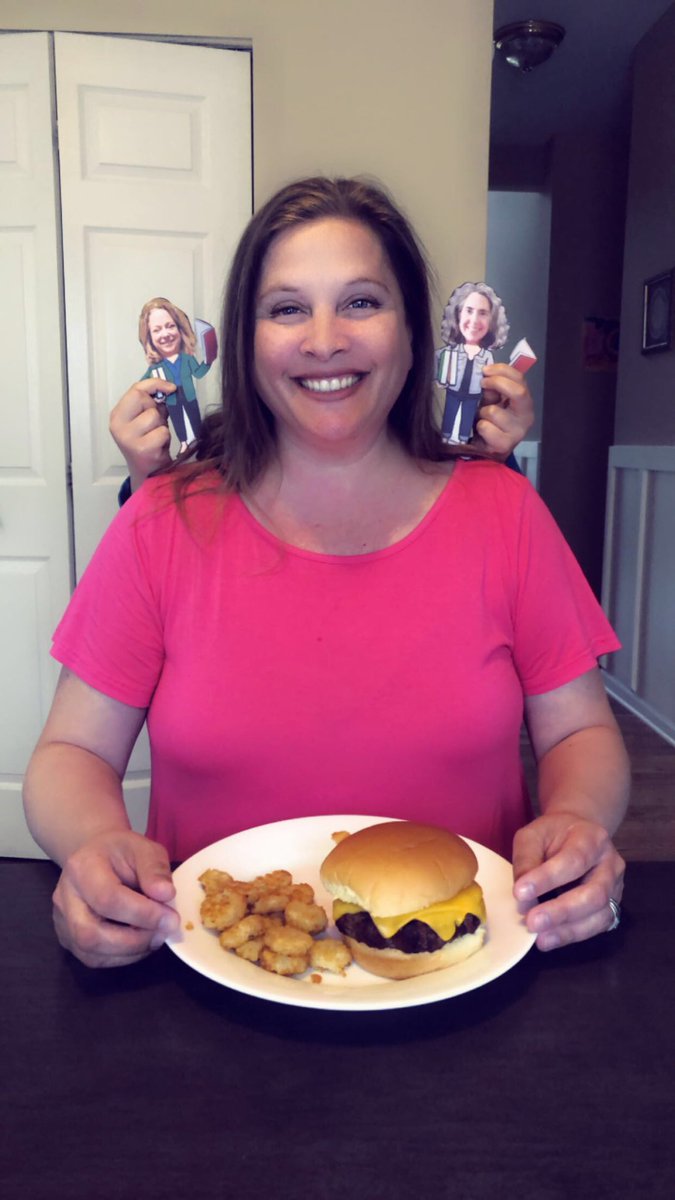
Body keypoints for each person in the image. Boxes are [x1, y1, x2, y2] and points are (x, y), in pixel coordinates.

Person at [23, 176, 629, 970]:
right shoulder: (159, 522)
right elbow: (72, 754)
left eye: (360, 302)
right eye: (285, 309)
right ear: (244, 341)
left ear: (415, 334)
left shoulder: (506, 513)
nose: (322, 340)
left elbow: (583, 732)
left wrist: (579, 819)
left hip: (465, 975)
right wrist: (93, 846)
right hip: (211, 974)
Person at [137, 297, 213, 456]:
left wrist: (207, 362)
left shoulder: (187, 359)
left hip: (189, 395)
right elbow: (141, 387)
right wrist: (150, 397)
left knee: (193, 417)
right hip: (172, 399)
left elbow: (199, 373)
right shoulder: (156, 369)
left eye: (170, 326)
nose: (165, 334)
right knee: (178, 420)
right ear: (149, 338)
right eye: (157, 330)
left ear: (181, 330)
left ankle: (198, 441)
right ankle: (184, 443)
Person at [437, 281, 508, 445]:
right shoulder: (450, 352)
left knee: (467, 418)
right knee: (450, 414)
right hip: (453, 391)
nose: (474, 320)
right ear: (458, 314)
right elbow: (439, 368)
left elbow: (490, 380)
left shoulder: (487, 356)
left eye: (483, 313)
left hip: (474, 395)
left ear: (492, 321)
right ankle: (446, 440)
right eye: (469, 311)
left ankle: (463, 442)